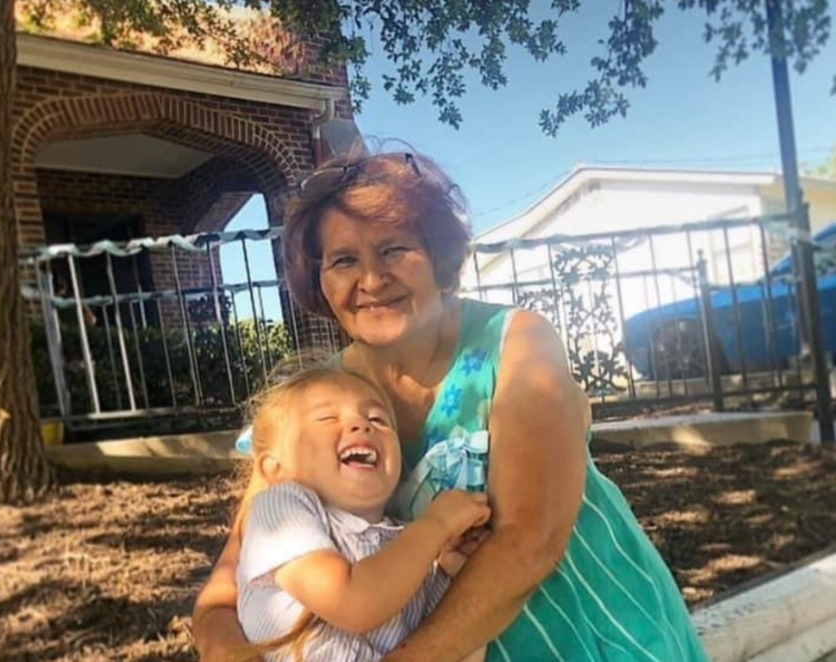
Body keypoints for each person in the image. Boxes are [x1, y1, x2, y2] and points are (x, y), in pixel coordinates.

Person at [194, 150, 711, 662]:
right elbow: (228, 586)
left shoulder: (515, 342)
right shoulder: (313, 403)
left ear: (439, 258)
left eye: (395, 249)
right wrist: (231, 651)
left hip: (597, 636)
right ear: (320, 280)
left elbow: (530, 541)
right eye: (344, 260)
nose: (371, 280)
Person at [232, 365, 490, 662]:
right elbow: (352, 602)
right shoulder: (279, 509)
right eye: (327, 417)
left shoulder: (403, 543)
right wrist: (436, 525)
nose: (361, 425)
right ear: (276, 469)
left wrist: (447, 571)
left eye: (378, 419)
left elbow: (431, 635)